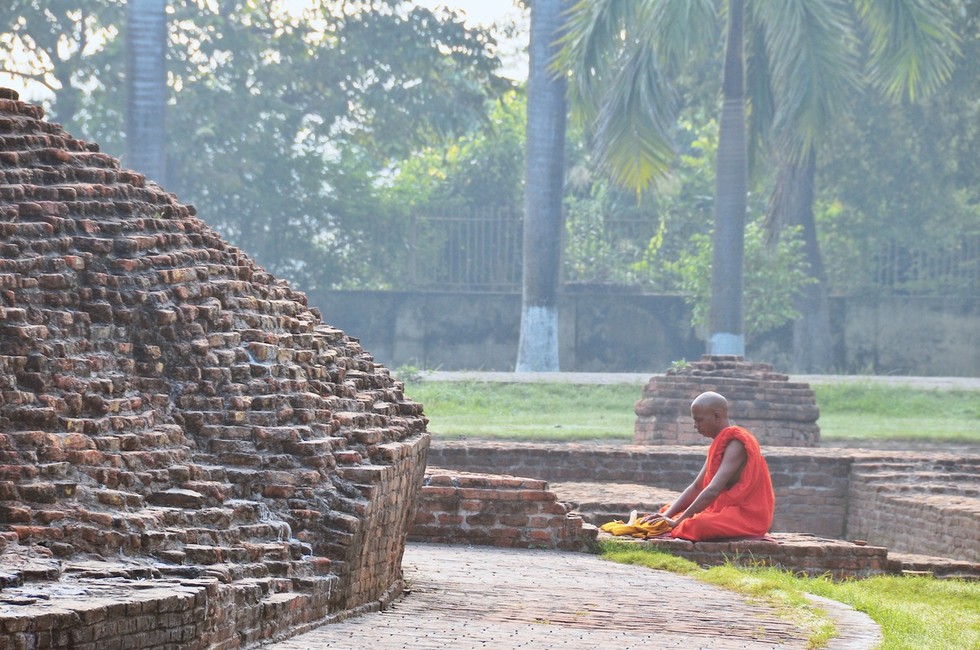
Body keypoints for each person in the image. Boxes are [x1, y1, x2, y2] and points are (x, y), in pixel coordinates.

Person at [640, 391, 775, 541]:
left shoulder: (737, 443)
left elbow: (712, 490)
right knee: (667, 511)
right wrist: (666, 516)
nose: (695, 426)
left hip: (747, 516)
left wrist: (677, 522)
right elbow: (696, 487)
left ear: (717, 416)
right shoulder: (719, 444)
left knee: (698, 525)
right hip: (726, 510)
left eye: (699, 420)